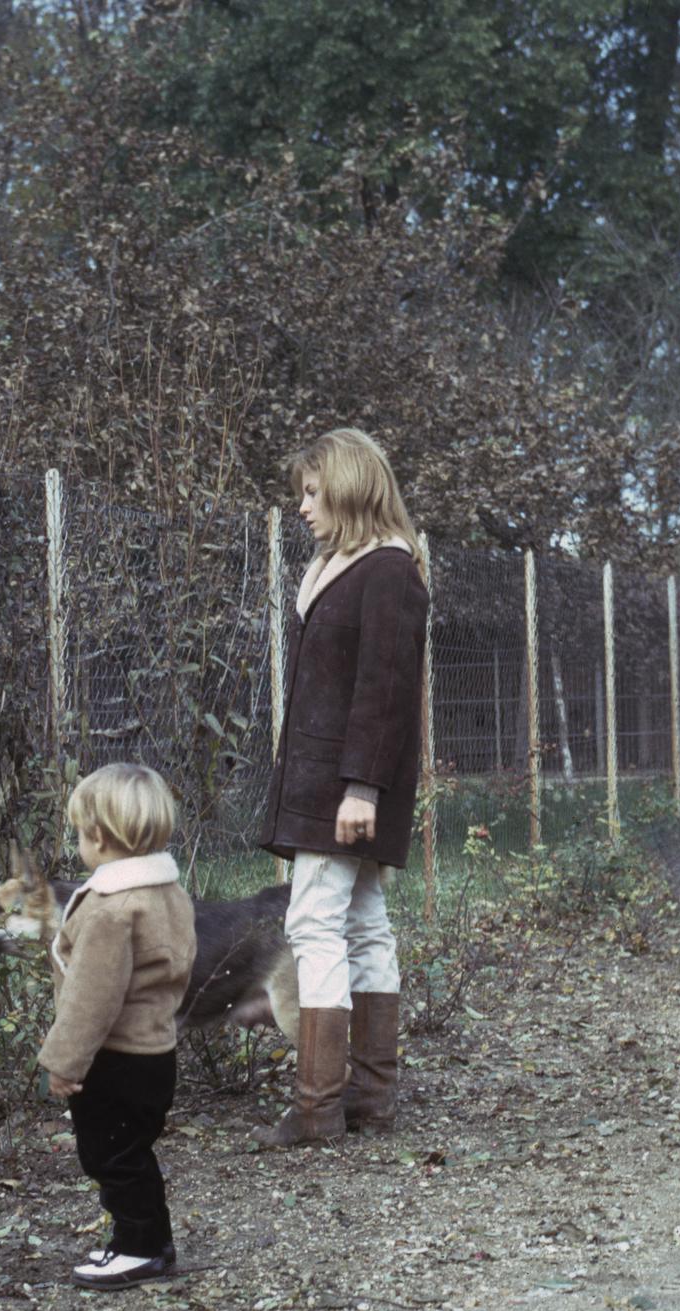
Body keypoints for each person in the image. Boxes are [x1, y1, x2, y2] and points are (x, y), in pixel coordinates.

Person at [254, 427, 430, 1147]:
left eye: (312, 491)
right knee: (359, 921)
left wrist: (361, 786)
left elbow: (383, 691)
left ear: (351, 487)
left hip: (346, 785)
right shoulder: (342, 565)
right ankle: (369, 1100)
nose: (301, 506)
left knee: (314, 923)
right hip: (331, 780)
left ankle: (320, 1107)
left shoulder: (386, 570)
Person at [37, 762, 198, 1289]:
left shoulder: (112, 909)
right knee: (134, 1150)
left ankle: (139, 1249)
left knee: (110, 1155)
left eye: (81, 834)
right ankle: (150, 1240)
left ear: (100, 838)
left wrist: (64, 1061)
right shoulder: (167, 893)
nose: (79, 844)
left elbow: (92, 998)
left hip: (114, 1057)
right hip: (155, 1051)